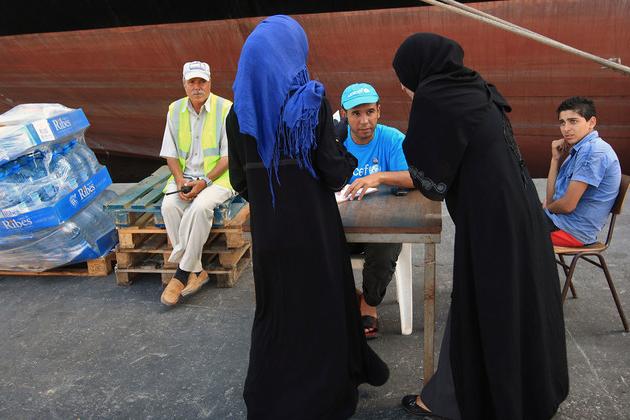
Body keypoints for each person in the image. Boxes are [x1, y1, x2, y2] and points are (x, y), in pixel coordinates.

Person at [392, 33, 569, 419]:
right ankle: (516, 392)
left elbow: (429, 179)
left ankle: (470, 399)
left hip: (492, 224)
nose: (404, 86)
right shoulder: (475, 88)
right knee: (511, 303)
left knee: (487, 305)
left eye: (403, 78)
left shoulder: (434, 97)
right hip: (522, 212)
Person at [227, 15, 388, 420]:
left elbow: (238, 180)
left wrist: (271, 201)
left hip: (271, 235)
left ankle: (269, 401)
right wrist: (341, 147)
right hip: (315, 232)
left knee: (277, 313)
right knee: (323, 309)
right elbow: (334, 172)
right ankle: (326, 397)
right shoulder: (310, 102)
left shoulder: (238, 113)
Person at [337, 82, 414, 339]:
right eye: (356, 113)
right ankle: (352, 296)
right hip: (342, 225)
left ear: (379, 110)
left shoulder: (392, 139)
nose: (364, 121)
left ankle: (369, 302)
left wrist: (378, 177)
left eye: (370, 111)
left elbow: (414, 177)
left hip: (381, 224)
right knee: (312, 242)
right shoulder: (335, 142)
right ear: (344, 114)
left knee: (386, 244)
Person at [159, 61, 234, 306]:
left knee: (200, 208)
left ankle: (181, 274)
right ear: (184, 84)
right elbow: (170, 154)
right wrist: (180, 180)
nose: (197, 87)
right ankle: (197, 270)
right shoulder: (174, 109)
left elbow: (228, 157)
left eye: (202, 81)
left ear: (210, 83)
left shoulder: (225, 109)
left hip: (219, 177)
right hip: (186, 176)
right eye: (192, 82)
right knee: (169, 207)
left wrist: (204, 182)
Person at [544, 96, 621, 247]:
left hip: (569, 231)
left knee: (506, 226)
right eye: (562, 122)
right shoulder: (579, 150)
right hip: (559, 223)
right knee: (508, 218)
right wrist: (555, 159)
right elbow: (552, 199)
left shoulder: (593, 152)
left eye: (573, 121)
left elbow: (567, 206)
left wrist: (546, 209)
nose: (566, 129)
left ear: (591, 122)